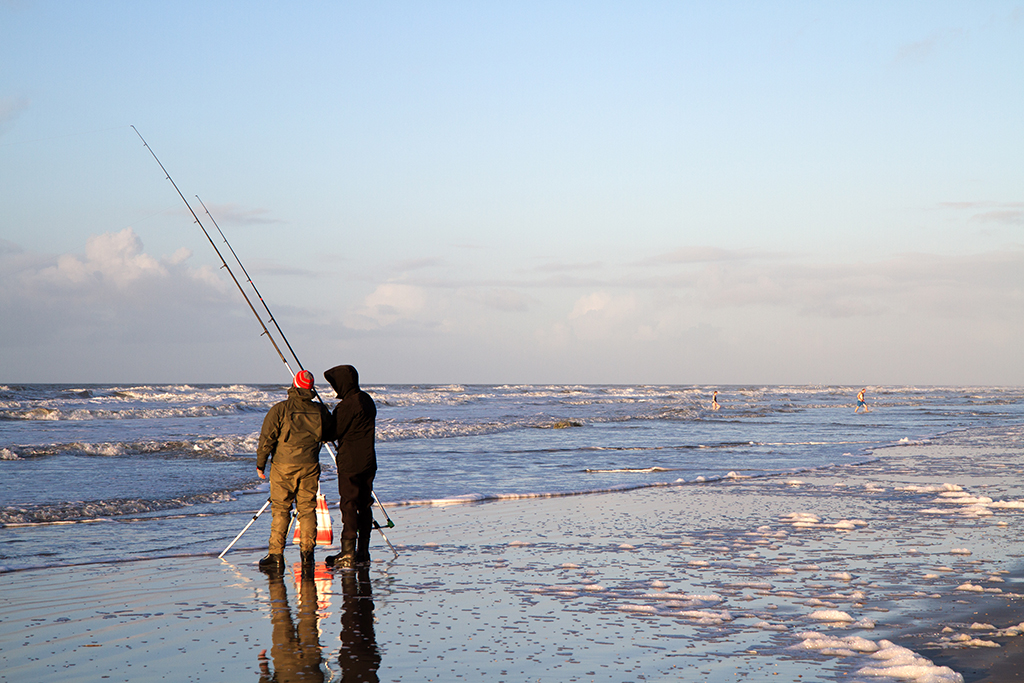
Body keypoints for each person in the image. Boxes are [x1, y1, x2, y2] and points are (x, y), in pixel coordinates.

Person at [256, 370, 332, 574]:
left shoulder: (280, 409)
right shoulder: (319, 410)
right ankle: (307, 555)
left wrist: (260, 464)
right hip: (310, 465)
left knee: (281, 509)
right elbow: (330, 433)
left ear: (294, 385)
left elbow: (266, 439)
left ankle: (276, 555)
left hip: (283, 466)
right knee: (307, 509)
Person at [323, 365, 377, 570]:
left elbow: (331, 432)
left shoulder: (347, 405)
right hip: (368, 461)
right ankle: (362, 551)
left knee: (349, 505)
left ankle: (347, 553)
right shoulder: (366, 400)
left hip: (350, 463)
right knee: (364, 505)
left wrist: (327, 420)